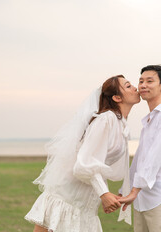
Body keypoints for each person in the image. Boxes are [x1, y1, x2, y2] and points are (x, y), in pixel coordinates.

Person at [25, 75, 140, 232]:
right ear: (117, 97)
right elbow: (85, 163)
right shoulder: (106, 120)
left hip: (87, 198)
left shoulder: (121, 124)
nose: (135, 87)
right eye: (128, 86)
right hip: (69, 194)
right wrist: (104, 193)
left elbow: (99, 163)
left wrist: (108, 194)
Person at [119, 65, 161, 232]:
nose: (143, 85)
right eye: (141, 81)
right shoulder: (149, 119)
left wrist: (133, 191)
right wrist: (127, 190)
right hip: (141, 199)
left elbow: (154, 158)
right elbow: (141, 159)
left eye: (149, 81)